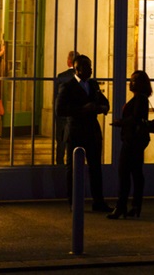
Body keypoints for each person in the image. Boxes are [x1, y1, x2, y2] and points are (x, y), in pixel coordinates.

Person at [56, 54, 112, 212]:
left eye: (91, 66)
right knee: (73, 169)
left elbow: (105, 102)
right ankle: (74, 203)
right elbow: (60, 110)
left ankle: (98, 202)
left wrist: (101, 108)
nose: (91, 70)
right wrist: (82, 110)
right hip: (75, 132)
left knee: (95, 168)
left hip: (92, 131)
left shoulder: (93, 84)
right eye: (87, 67)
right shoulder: (67, 86)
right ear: (77, 69)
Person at [109, 70, 153, 219]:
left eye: (134, 81)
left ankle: (122, 206)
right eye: (131, 80)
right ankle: (135, 206)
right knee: (135, 173)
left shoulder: (140, 99)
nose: (130, 83)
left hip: (133, 140)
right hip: (135, 139)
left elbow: (135, 118)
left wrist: (120, 122)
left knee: (125, 173)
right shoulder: (140, 98)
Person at [54, 50, 78, 164]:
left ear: (69, 61)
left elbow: (56, 97)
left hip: (62, 115)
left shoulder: (61, 77)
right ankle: (74, 165)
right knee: (75, 142)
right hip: (76, 115)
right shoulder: (81, 77)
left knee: (61, 142)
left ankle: (59, 166)